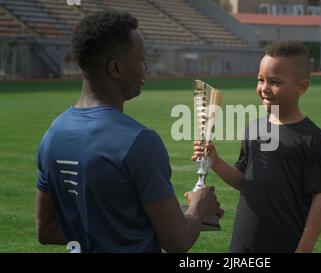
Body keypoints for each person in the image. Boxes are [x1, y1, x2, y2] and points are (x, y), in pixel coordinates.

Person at [35, 10, 223, 253]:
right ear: (116, 68)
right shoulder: (139, 141)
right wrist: (199, 206)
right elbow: (177, 242)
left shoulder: (52, 135)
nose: (146, 68)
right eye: (141, 60)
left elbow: (46, 230)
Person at [193, 41, 321, 253]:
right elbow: (245, 182)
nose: (264, 88)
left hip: (284, 243)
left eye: (275, 82)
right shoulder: (254, 129)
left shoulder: (313, 139)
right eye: (261, 80)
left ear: (301, 87)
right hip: (244, 242)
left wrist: (304, 249)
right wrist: (215, 161)